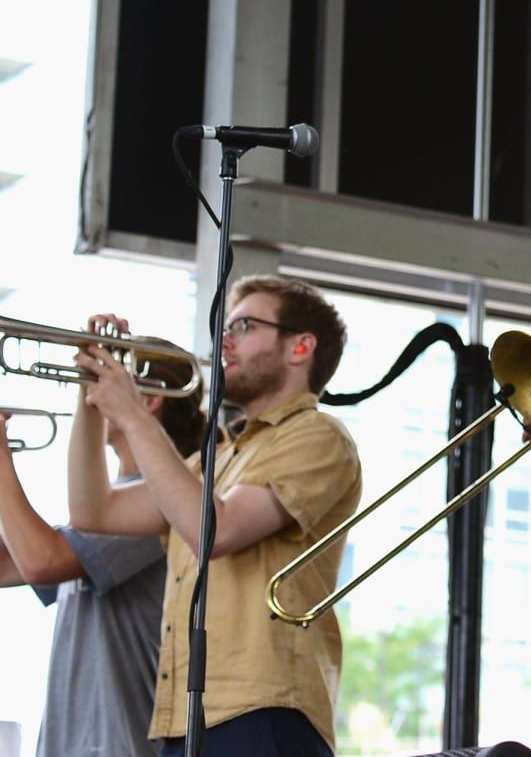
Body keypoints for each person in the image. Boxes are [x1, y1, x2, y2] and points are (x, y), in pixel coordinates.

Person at [67, 275, 363, 757]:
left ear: (300, 348)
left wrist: (134, 416)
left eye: (244, 326)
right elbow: (92, 510)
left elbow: (217, 531)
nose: (223, 340)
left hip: (262, 712)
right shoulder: (217, 457)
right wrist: (91, 402)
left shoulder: (318, 436)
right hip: (186, 715)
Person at [0, 362, 203, 757]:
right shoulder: (104, 507)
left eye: (99, 381)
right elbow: (11, 563)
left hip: (118, 744)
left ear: (151, 398)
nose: (88, 396)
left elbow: (41, 559)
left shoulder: (163, 501)